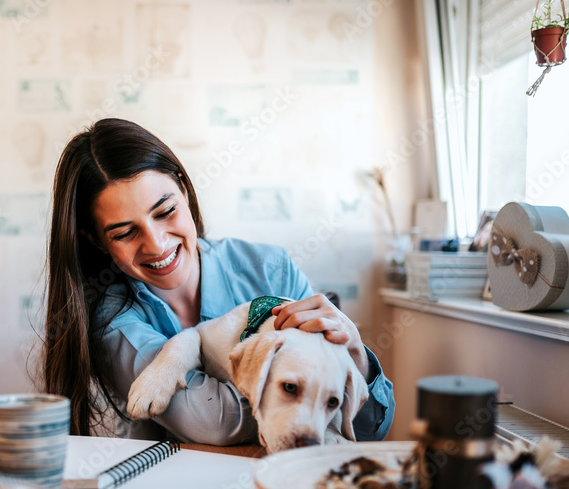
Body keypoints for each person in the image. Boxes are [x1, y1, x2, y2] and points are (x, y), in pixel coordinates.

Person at [42, 118, 394, 443]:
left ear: (184, 189)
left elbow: (365, 431)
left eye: (166, 212)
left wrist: (355, 362)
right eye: (124, 232)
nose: (157, 243)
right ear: (95, 241)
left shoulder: (272, 269)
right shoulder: (113, 317)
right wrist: (318, 393)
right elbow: (215, 422)